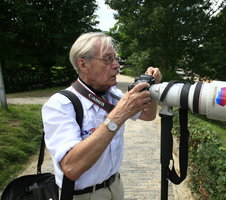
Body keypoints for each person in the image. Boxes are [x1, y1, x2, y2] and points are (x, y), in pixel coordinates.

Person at [42, 32, 162, 199]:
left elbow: (148, 115)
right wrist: (119, 114)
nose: (116, 65)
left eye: (115, 58)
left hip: (115, 186)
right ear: (83, 64)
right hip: (83, 195)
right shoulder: (61, 105)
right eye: (107, 59)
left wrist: (151, 88)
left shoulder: (112, 94)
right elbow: (71, 168)